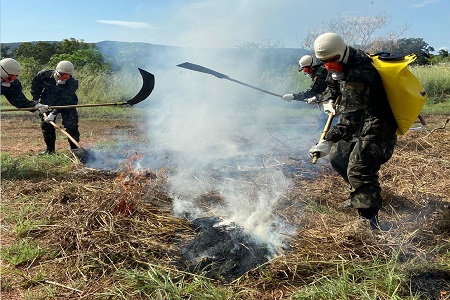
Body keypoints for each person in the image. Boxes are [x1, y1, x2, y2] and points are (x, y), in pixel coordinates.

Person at [309, 33, 398, 230]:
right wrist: (329, 100)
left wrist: (328, 139)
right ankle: (360, 195)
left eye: (333, 61)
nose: (329, 66)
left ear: (342, 53)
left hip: (379, 124)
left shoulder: (360, 71)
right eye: (325, 63)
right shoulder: (339, 63)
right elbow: (332, 82)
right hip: (362, 120)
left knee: (360, 167)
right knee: (338, 157)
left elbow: (351, 119)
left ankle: (370, 224)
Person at [31, 60, 80, 154]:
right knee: (47, 125)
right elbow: (35, 86)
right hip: (48, 102)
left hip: (67, 103)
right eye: (63, 76)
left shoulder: (72, 83)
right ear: (57, 72)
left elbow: (65, 99)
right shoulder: (43, 75)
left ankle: (75, 149)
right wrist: (36, 101)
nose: (66, 78)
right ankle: (50, 150)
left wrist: (54, 113)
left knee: (71, 125)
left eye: (68, 76)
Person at [282, 55, 338, 130]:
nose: (306, 73)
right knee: (323, 121)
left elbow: (312, 92)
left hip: (334, 101)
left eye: (305, 70)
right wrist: (317, 98)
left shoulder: (320, 74)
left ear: (311, 66)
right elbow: (322, 90)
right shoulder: (320, 71)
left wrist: (293, 96)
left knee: (328, 122)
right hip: (328, 99)